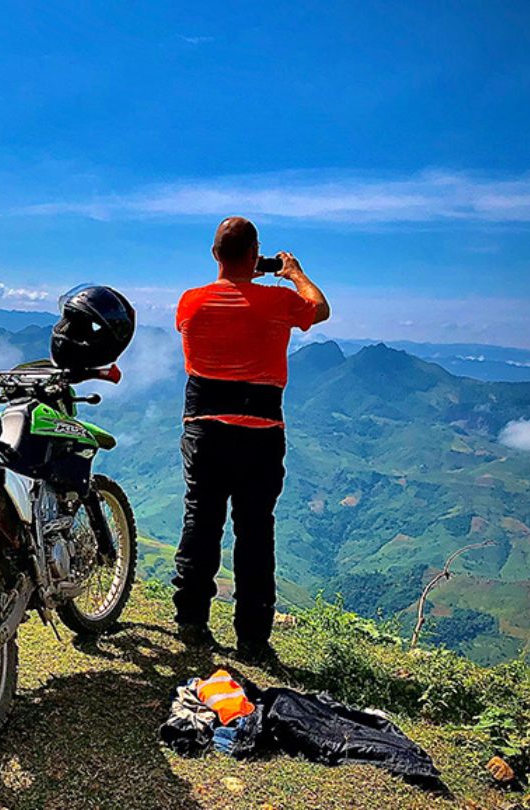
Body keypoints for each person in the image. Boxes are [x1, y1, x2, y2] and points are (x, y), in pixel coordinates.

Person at [172, 216, 330, 663]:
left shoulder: (190, 303)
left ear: (214, 254)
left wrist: (246, 275)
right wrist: (293, 273)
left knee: (201, 522)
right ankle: (253, 640)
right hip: (260, 434)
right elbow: (319, 308)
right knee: (255, 533)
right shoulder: (278, 301)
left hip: (203, 429)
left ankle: (191, 622)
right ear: (254, 253)